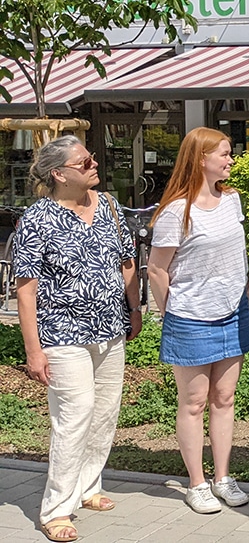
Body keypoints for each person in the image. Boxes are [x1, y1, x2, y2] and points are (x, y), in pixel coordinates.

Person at [12, 136, 140, 543]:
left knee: (104, 412)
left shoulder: (109, 207)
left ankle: (88, 487)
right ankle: (56, 508)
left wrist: (134, 309)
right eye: (84, 161)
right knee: (75, 415)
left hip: (110, 329)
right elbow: (26, 290)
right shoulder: (37, 220)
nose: (93, 164)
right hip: (62, 333)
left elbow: (126, 261)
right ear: (59, 174)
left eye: (92, 159)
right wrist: (33, 350)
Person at [147, 127, 249, 515]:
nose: (230, 159)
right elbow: (157, 269)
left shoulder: (232, 200)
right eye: (223, 154)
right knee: (192, 403)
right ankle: (196, 483)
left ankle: (223, 477)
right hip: (190, 316)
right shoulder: (177, 211)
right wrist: (171, 311)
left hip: (232, 310)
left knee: (224, 399)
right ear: (201, 159)